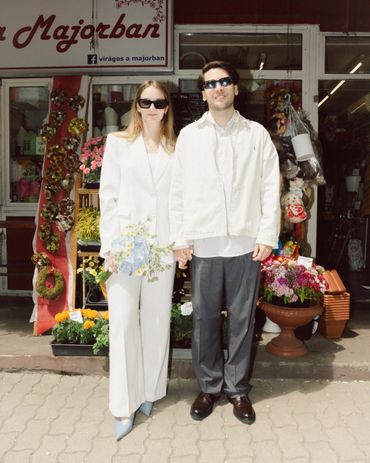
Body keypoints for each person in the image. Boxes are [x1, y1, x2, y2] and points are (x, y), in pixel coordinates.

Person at [169, 61, 280, 424]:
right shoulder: (190, 136)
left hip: (246, 245)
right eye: (210, 83)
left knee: (242, 321)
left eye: (224, 82)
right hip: (204, 243)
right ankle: (209, 387)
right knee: (203, 319)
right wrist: (180, 238)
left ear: (236, 88)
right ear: (203, 92)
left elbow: (268, 187)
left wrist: (266, 235)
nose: (218, 88)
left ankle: (237, 389)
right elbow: (178, 190)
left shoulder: (256, 135)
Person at [99, 80, 177, 440]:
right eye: (145, 102)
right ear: (136, 105)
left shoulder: (175, 148)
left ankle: (149, 393)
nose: (151, 108)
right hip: (126, 248)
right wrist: (110, 245)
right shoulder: (117, 144)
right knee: (124, 323)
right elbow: (108, 196)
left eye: (158, 102)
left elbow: (180, 201)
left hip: (162, 248)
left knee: (157, 322)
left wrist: (180, 243)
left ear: (166, 107)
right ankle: (122, 405)